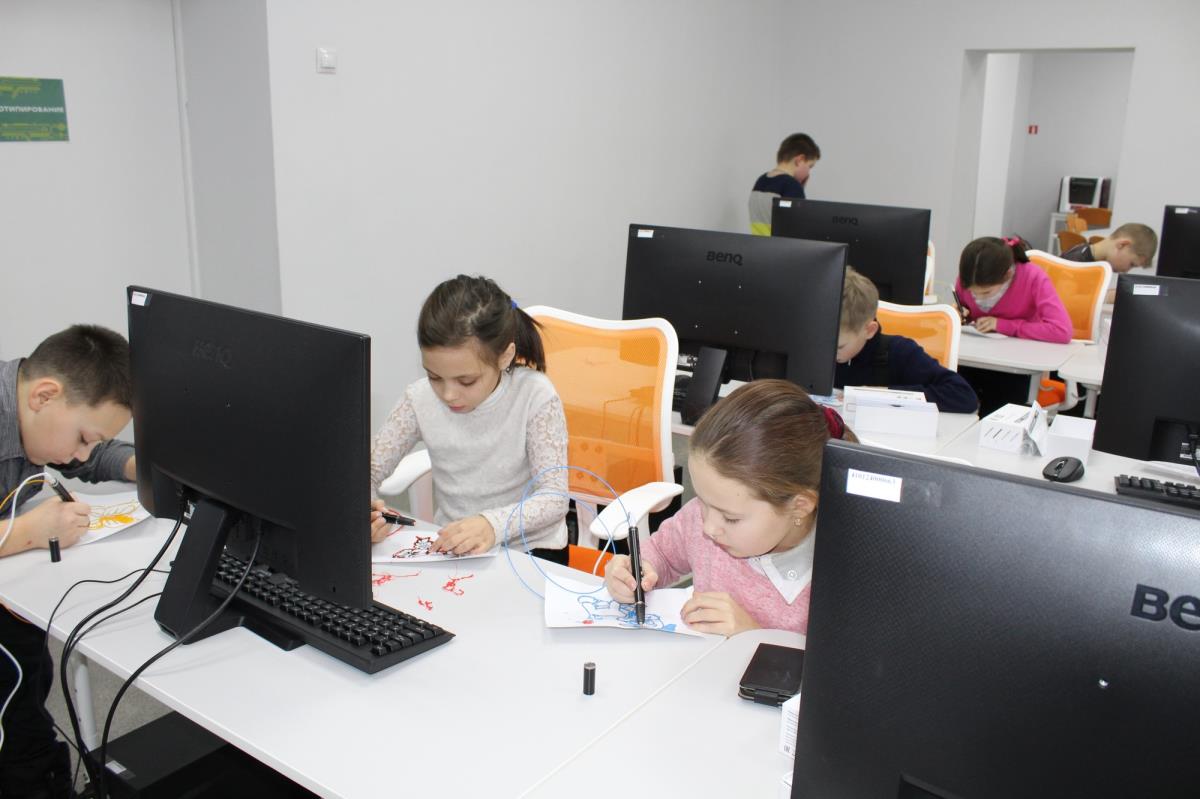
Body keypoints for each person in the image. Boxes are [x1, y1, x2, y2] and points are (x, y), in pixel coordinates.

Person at [0, 324, 136, 798]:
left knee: (25, 677)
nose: (80, 453)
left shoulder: (34, 415)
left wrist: (148, 467)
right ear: (44, 395)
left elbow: (90, 458)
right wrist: (27, 532)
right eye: (82, 437)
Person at [604, 380, 855, 636]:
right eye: (702, 500)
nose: (709, 527)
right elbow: (662, 553)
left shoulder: (839, 574)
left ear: (799, 507)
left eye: (730, 518)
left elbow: (837, 660)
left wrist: (752, 636)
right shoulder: (705, 516)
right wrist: (636, 571)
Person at [369, 275, 569, 563]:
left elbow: (554, 498)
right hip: (454, 550)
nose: (449, 394)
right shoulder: (419, 399)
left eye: (466, 381)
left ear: (505, 356)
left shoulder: (534, 395)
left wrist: (492, 525)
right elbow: (367, 471)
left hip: (531, 550)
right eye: (434, 377)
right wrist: (365, 512)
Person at [835, 267, 978, 413]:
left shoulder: (900, 353)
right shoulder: (827, 350)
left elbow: (964, 396)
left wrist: (881, 395)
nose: (828, 354)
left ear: (869, 331)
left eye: (839, 347)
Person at [954, 236, 1072, 343]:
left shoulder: (1033, 277)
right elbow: (964, 313)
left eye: (986, 292)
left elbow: (1062, 331)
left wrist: (1004, 325)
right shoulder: (969, 277)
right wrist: (956, 315)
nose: (978, 298)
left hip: (1025, 351)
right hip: (978, 349)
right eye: (972, 292)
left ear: (1008, 274)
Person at [1060, 222, 1158, 304]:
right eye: (1131, 264)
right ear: (1122, 245)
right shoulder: (1074, 261)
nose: (1127, 271)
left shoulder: (1096, 264)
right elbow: (1065, 300)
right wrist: (1106, 297)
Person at [748, 133, 821, 235]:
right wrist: (799, 193)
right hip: (779, 245)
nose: (808, 172)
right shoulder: (792, 186)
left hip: (756, 243)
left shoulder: (761, 181)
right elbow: (798, 229)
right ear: (800, 160)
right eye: (810, 166)